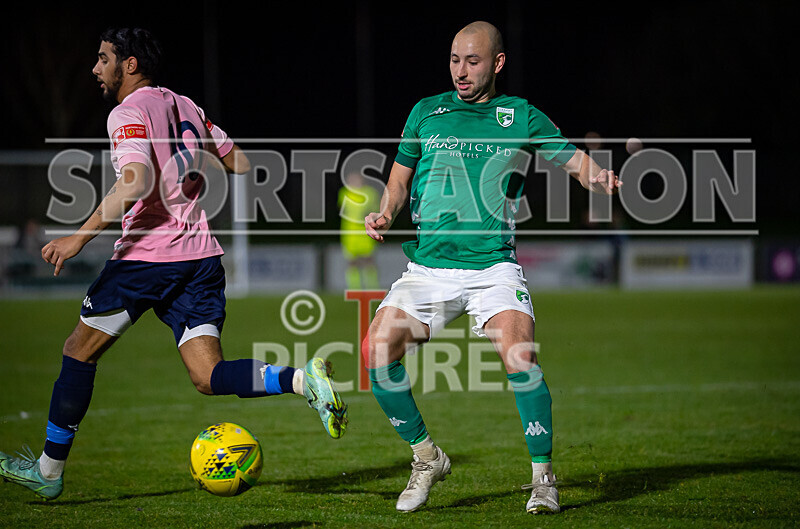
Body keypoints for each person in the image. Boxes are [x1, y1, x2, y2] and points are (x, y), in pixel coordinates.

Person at [0, 28, 347, 501]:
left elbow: (135, 182)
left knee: (78, 352)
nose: (95, 68)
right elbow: (240, 162)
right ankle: (303, 380)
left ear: (131, 64)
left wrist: (78, 238)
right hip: (200, 258)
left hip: (147, 259)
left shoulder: (128, 111)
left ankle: (47, 471)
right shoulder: (187, 106)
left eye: (103, 59)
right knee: (207, 377)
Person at [363, 21, 621, 514]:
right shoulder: (425, 113)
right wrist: (385, 211)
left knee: (520, 357)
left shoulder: (520, 116)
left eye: (473, 61)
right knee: (376, 352)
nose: (461, 71)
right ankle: (426, 458)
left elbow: (571, 160)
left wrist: (598, 176)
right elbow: (398, 183)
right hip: (429, 268)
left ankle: (542, 479)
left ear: (497, 64)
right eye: (455, 60)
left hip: (492, 267)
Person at [338, 171, 380, 289]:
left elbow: (374, 209)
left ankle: (373, 287)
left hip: (365, 231)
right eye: (350, 180)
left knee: (369, 260)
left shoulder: (370, 193)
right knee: (352, 262)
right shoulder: (344, 193)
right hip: (350, 232)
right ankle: (354, 287)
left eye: (356, 179)